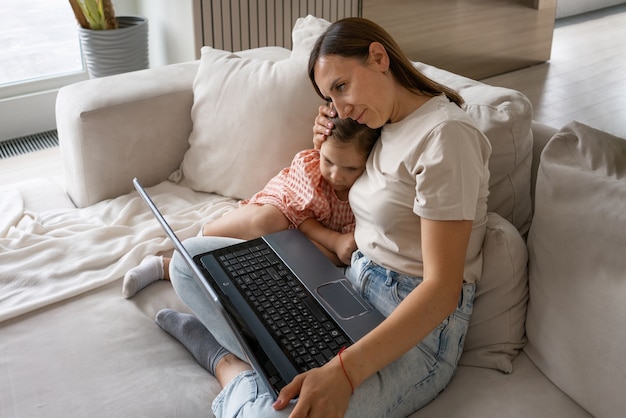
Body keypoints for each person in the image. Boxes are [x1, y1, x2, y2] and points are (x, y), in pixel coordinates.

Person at [159, 17, 492, 418]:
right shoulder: (380, 121)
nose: (340, 106)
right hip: (348, 286)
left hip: (416, 331)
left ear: (378, 57)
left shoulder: (447, 137)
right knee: (188, 260)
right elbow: (344, 183)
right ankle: (268, 366)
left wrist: (344, 372)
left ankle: (230, 367)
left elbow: (441, 290)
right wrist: (327, 140)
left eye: (341, 87)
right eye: (330, 98)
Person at [122, 116, 380, 298]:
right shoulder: (311, 169)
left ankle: (175, 269)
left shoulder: (366, 193)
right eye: (329, 161)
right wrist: (334, 240)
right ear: (319, 149)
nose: (336, 175)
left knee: (298, 258)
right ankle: (181, 256)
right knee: (269, 222)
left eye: (350, 168)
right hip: (289, 212)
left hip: (312, 241)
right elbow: (298, 216)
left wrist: (337, 246)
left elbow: (344, 253)